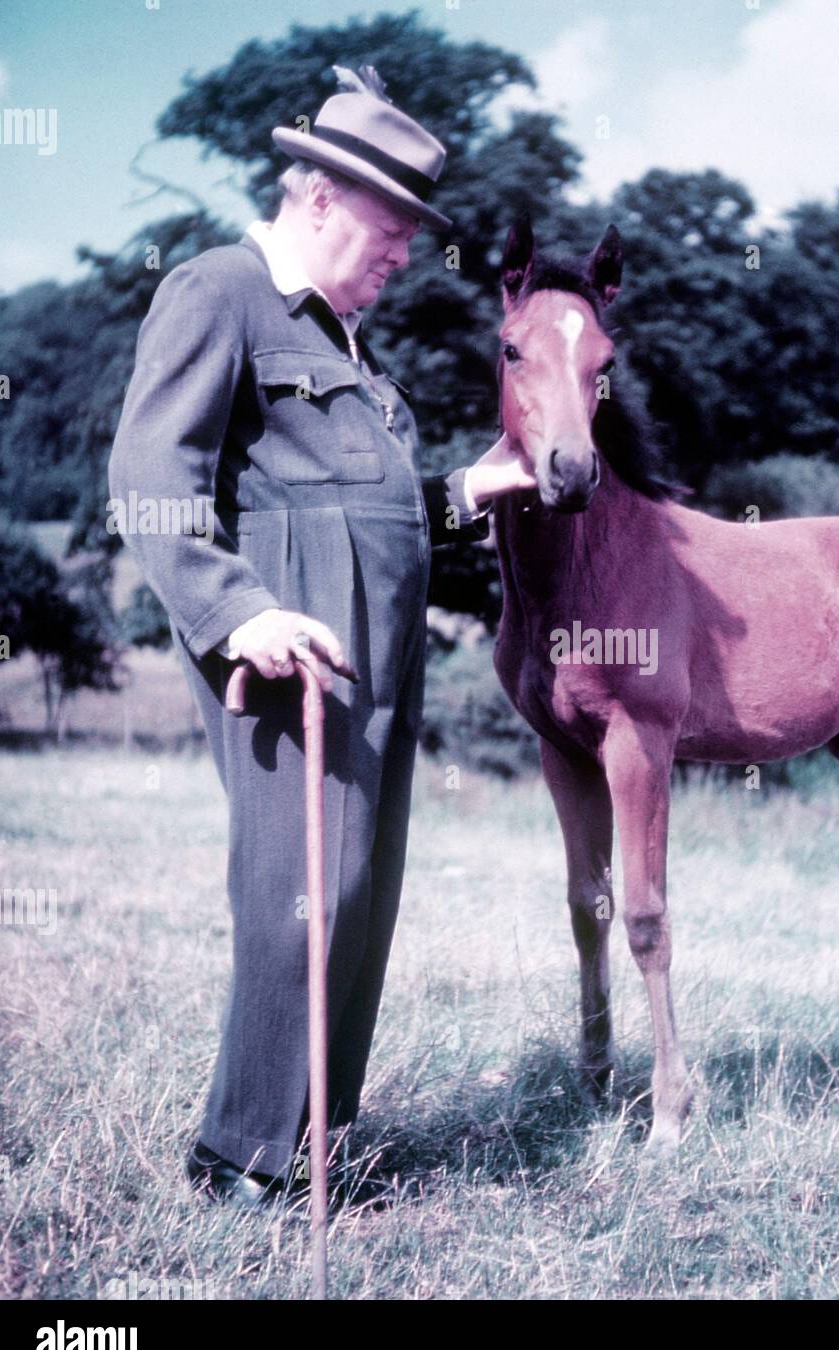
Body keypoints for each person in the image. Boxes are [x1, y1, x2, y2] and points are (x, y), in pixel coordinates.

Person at [107, 65, 534, 1207]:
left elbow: (379, 519)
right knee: (301, 887)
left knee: (357, 887)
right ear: (322, 200)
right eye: (393, 234)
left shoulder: (355, 359)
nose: (403, 259)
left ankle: (312, 1144)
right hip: (284, 657)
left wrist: (477, 487)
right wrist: (238, 613)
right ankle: (239, 1157)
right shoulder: (219, 291)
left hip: (376, 669)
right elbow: (149, 478)